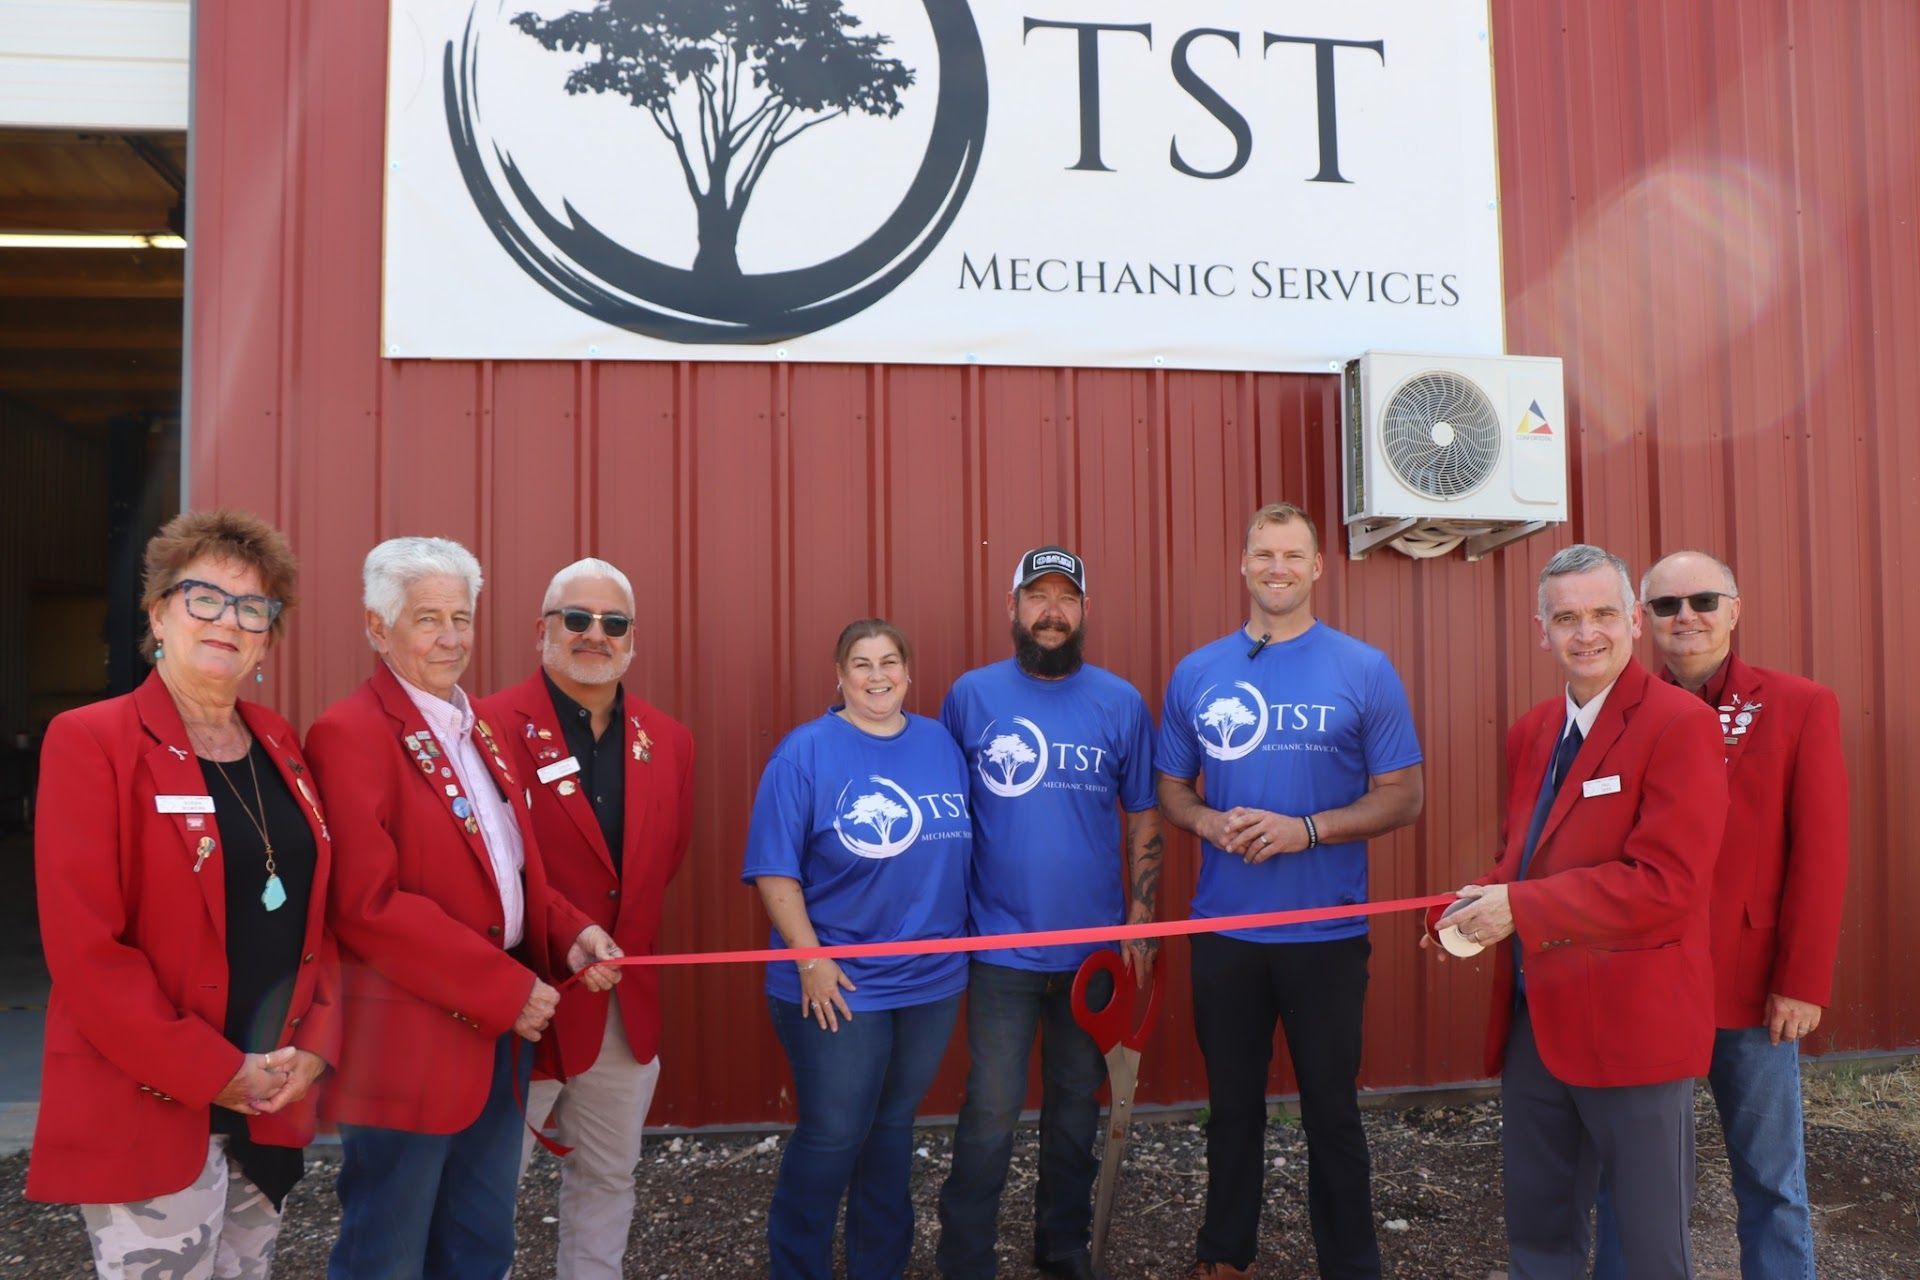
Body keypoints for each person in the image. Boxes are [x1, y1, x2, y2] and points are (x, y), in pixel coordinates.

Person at [29, 508, 337, 1277]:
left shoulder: (281, 743)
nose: (228, 620)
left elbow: (315, 916)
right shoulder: (91, 739)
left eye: (252, 607)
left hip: (267, 1101)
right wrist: (215, 1069)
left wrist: (318, 1049)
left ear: (268, 635)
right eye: (205, 597)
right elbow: (86, 953)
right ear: (159, 610)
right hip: (151, 1104)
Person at [307, 536, 623, 1280]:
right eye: (427, 619)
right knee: (388, 1249)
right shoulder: (349, 733)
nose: (451, 638)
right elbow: (367, 905)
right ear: (377, 629)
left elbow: (507, 870)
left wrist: (569, 929)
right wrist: (508, 989)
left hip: (496, 1039)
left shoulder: (476, 723)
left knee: (480, 1243)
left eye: (462, 617)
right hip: (409, 1041)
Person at [1438, 543, 1729, 1280]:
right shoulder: (1533, 732)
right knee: (1538, 1234)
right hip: (1539, 1023)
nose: (1585, 633)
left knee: (1650, 1245)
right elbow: (1524, 860)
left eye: (1602, 613)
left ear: (1633, 620)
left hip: (1635, 1027)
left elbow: (1666, 884)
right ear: (1542, 629)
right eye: (1566, 617)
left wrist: (1520, 906)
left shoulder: (1678, 724)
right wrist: (1474, 904)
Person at [1157, 502, 1424, 1280]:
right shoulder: (1198, 671)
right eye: (1264, 554)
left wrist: (1305, 830)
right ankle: (1224, 1254)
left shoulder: (1362, 668)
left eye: (1293, 556)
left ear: (1317, 568)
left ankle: (1352, 1263)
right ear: (1243, 566)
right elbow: (1172, 789)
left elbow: (1403, 797)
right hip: (1225, 934)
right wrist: (1206, 824)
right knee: (1231, 1110)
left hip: (1326, 936)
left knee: (1332, 1114)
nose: (1278, 568)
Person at [1590, 551, 1849, 1280]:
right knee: (1633, 1179)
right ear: (1645, 621)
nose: (1686, 618)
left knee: (1770, 1178)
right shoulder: (1622, 713)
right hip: (1645, 986)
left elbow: (1821, 854)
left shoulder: (1798, 705)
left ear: (1734, 609)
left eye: (1703, 600)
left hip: (1749, 989)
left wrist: (1803, 979)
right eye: (1667, 606)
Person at [935, 546, 1162, 1280]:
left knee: (1074, 1111)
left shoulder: (1120, 703)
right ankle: (965, 1257)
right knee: (990, 1113)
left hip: (1091, 957)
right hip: (997, 950)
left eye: (1066, 598)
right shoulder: (970, 697)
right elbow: (944, 810)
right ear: (1013, 609)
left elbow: (1143, 817)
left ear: (1085, 611)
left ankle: (1062, 1249)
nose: (1052, 611)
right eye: (1038, 597)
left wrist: (1139, 916)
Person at [482, 557, 696, 1280]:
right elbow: (485, 868)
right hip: (518, 1006)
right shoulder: (487, 726)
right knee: (488, 1191)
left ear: (633, 639)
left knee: (608, 1180)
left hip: (619, 1010)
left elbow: (662, 859)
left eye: (614, 623)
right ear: (542, 629)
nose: (594, 635)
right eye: (577, 618)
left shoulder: (669, 740)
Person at [742, 618, 973, 1280]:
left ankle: (881, 1266)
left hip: (930, 981)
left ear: (909, 672)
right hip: (839, 981)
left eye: (890, 662)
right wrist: (811, 959)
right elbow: (774, 870)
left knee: (893, 1128)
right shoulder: (805, 753)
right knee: (835, 1132)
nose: (878, 676)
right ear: (839, 677)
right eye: (862, 664)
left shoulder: (939, 744)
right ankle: (798, 1267)